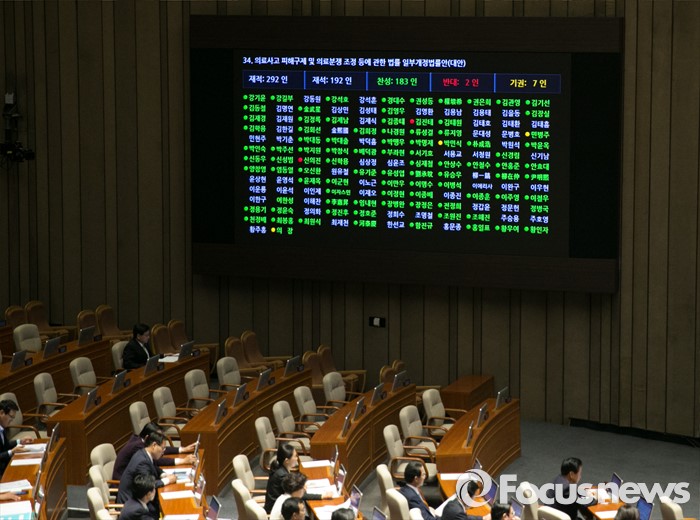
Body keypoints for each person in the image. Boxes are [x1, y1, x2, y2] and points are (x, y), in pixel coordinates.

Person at [117, 431, 177, 517]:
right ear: (154, 445)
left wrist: (164, 474)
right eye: (163, 448)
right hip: (132, 503)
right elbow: (146, 484)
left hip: (138, 498)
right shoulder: (142, 461)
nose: (163, 452)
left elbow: (153, 467)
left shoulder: (143, 453)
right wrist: (167, 480)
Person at [113, 422, 196, 479]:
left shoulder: (141, 441)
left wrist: (182, 449)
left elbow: (160, 448)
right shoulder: (137, 447)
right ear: (147, 437)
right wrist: (183, 461)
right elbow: (157, 461)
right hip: (122, 483)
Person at [264, 444, 332, 513]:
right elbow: (299, 494)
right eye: (295, 456)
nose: (297, 458)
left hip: (283, 504)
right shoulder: (282, 475)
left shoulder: (282, 468)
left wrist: (301, 486)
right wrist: (322, 496)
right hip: (277, 510)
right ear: (287, 460)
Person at [0, 399, 32, 477]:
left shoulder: (2, 427)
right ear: (2, 413)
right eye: (11, 417)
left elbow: (5, 445)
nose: (11, 420)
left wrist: (20, 441)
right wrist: (11, 452)